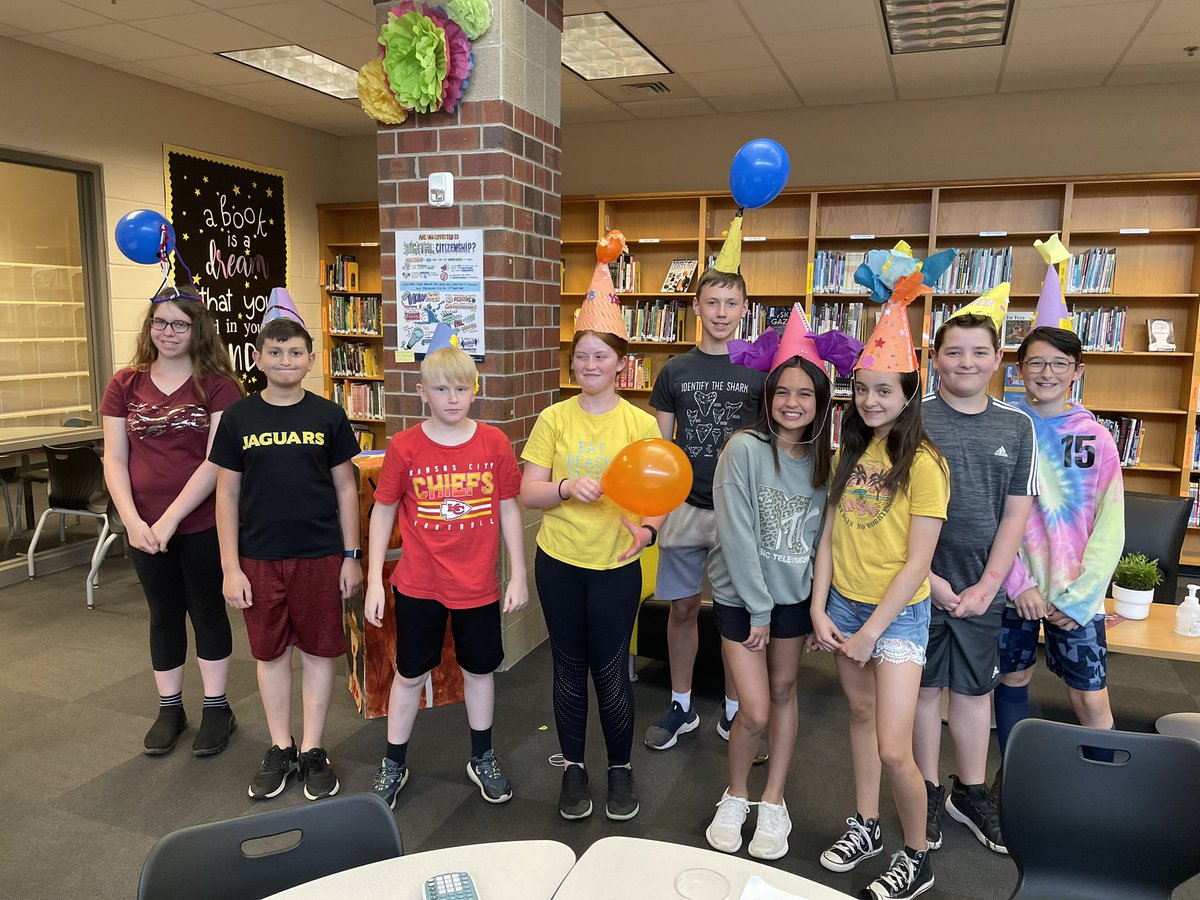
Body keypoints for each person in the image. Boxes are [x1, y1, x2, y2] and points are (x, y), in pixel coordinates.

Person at [812, 278, 948, 900]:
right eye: (862, 389)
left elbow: (919, 563)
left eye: (882, 390)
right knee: (860, 716)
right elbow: (830, 536)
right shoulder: (851, 447)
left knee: (897, 748)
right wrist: (819, 606)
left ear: (908, 394)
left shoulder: (924, 462)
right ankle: (866, 824)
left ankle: (916, 855)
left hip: (894, 619)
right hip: (844, 606)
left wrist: (869, 633)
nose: (869, 400)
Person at [519, 254, 663, 822]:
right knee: (567, 665)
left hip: (615, 564)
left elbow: (659, 500)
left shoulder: (640, 425)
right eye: (581, 356)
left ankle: (619, 769)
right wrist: (562, 487)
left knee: (610, 667)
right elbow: (527, 492)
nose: (589, 364)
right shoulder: (555, 419)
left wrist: (648, 531)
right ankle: (574, 768)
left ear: (622, 364)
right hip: (559, 561)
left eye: (600, 355)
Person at [703, 307, 850, 860]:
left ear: (820, 403)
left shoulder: (822, 462)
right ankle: (735, 793)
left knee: (785, 694)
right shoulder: (743, 448)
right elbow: (738, 536)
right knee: (756, 709)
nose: (792, 403)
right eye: (782, 392)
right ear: (768, 399)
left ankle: (774, 799)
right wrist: (760, 609)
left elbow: (823, 544)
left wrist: (818, 608)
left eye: (804, 394)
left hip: (794, 601)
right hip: (744, 600)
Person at [363, 338, 527, 808]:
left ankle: (482, 757)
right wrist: (374, 578)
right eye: (441, 389)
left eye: (461, 388)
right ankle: (394, 761)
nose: (452, 398)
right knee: (410, 674)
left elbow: (509, 508)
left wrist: (517, 574)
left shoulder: (493, 442)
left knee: (479, 670)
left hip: (477, 584)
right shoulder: (404, 445)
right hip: (420, 583)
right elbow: (383, 511)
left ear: (475, 391)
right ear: (422, 392)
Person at [210, 315, 363, 801]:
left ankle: (314, 749)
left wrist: (351, 555)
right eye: (275, 352)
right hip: (258, 558)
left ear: (311, 361)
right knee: (270, 654)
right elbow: (226, 497)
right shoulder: (239, 419)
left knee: (320, 652)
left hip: (320, 556)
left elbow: (346, 488)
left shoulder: (328, 416)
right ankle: (281, 746)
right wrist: (230, 567)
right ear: (257, 359)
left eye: (295, 352)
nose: (285, 361)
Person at [914, 286, 1036, 857]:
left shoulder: (1016, 427)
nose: (966, 362)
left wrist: (990, 585)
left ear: (997, 358)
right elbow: (890, 507)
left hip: (982, 588)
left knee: (973, 691)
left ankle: (971, 790)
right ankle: (927, 791)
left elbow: (1016, 510)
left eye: (978, 352)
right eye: (954, 352)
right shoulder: (913, 418)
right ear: (933, 358)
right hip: (918, 584)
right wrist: (928, 582)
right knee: (920, 690)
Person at [101, 285, 243, 756]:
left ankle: (218, 708)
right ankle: (170, 708)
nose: (168, 332)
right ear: (149, 328)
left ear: (197, 329)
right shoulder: (125, 383)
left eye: (179, 324)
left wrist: (168, 521)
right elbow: (115, 459)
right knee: (162, 614)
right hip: (142, 525)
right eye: (159, 322)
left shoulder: (219, 386)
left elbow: (215, 462)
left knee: (205, 611)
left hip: (200, 521)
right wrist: (133, 520)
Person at [643, 263, 765, 753]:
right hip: (685, 507)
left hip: (739, 510)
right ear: (696, 308)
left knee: (734, 613)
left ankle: (736, 710)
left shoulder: (759, 368)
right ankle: (681, 703)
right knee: (683, 607)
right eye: (711, 302)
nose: (720, 312)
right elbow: (662, 448)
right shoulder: (675, 370)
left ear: (744, 310)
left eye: (730, 303)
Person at [995, 326, 1123, 767]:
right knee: (1012, 679)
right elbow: (989, 518)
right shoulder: (1005, 430)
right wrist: (1018, 584)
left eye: (1059, 363)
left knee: (1089, 698)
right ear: (1018, 369)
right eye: (1036, 362)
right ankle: (1015, 775)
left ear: (1077, 371)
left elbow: (1111, 526)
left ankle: (1103, 784)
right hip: (1016, 588)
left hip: (1076, 594)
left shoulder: (1097, 439)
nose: (1047, 372)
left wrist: (1084, 598)